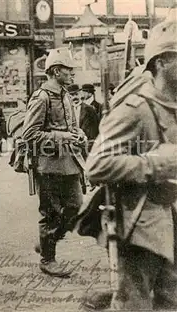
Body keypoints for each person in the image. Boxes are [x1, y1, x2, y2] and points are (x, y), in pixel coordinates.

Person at [86, 17, 177, 310]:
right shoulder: (135, 109)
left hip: (173, 220)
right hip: (143, 226)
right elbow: (97, 165)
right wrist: (154, 164)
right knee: (134, 304)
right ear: (162, 62)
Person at [22, 47, 86, 277]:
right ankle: (48, 258)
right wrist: (62, 137)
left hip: (69, 162)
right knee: (50, 212)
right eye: (69, 70)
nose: (72, 74)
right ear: (56, 71)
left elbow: (72, 126)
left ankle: (47, 241)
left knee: (76, 208)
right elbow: (29, 135)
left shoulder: (66, 95)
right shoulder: (42, 97)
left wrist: (79, 134)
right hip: (48, 165)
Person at [68, 84, 99, 153]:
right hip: (72, 148)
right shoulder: (67, 111)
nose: (74, 97)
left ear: (80, 94)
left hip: (87, 147)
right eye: (72, 95)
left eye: (76, 94)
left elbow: (95, 130)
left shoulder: (90, 110)